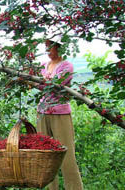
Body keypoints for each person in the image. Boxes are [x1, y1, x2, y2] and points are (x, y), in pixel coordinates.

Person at [36, 39, 84, 190]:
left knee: (66, 156)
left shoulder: (66, 66)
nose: (47, 50)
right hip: (42, 113)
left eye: (50, 47)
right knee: (46, 156)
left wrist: (38, 82)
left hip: (60, 114)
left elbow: (55, 86)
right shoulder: (44, 65)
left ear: (58, 48)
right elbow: (39, 86)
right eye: (46, 47)